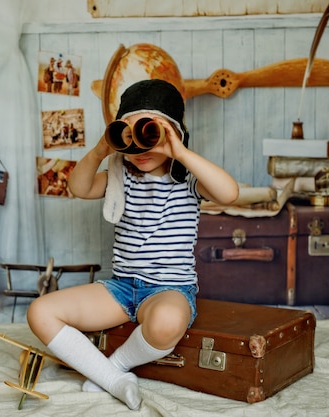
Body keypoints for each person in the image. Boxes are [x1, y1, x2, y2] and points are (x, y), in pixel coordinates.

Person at [27, 79, 239, 410]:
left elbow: (229, 193)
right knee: (40, 311)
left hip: (169, 289)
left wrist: (179, 152)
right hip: (121, 288)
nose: (141, 150)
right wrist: (101, 149)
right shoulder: (119, 176)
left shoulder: (188, 180)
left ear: (174, 134)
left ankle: (113, 368)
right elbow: (79, 187)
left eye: (151, 136)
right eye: (130, 138)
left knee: (167, 322)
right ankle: (114, 381)